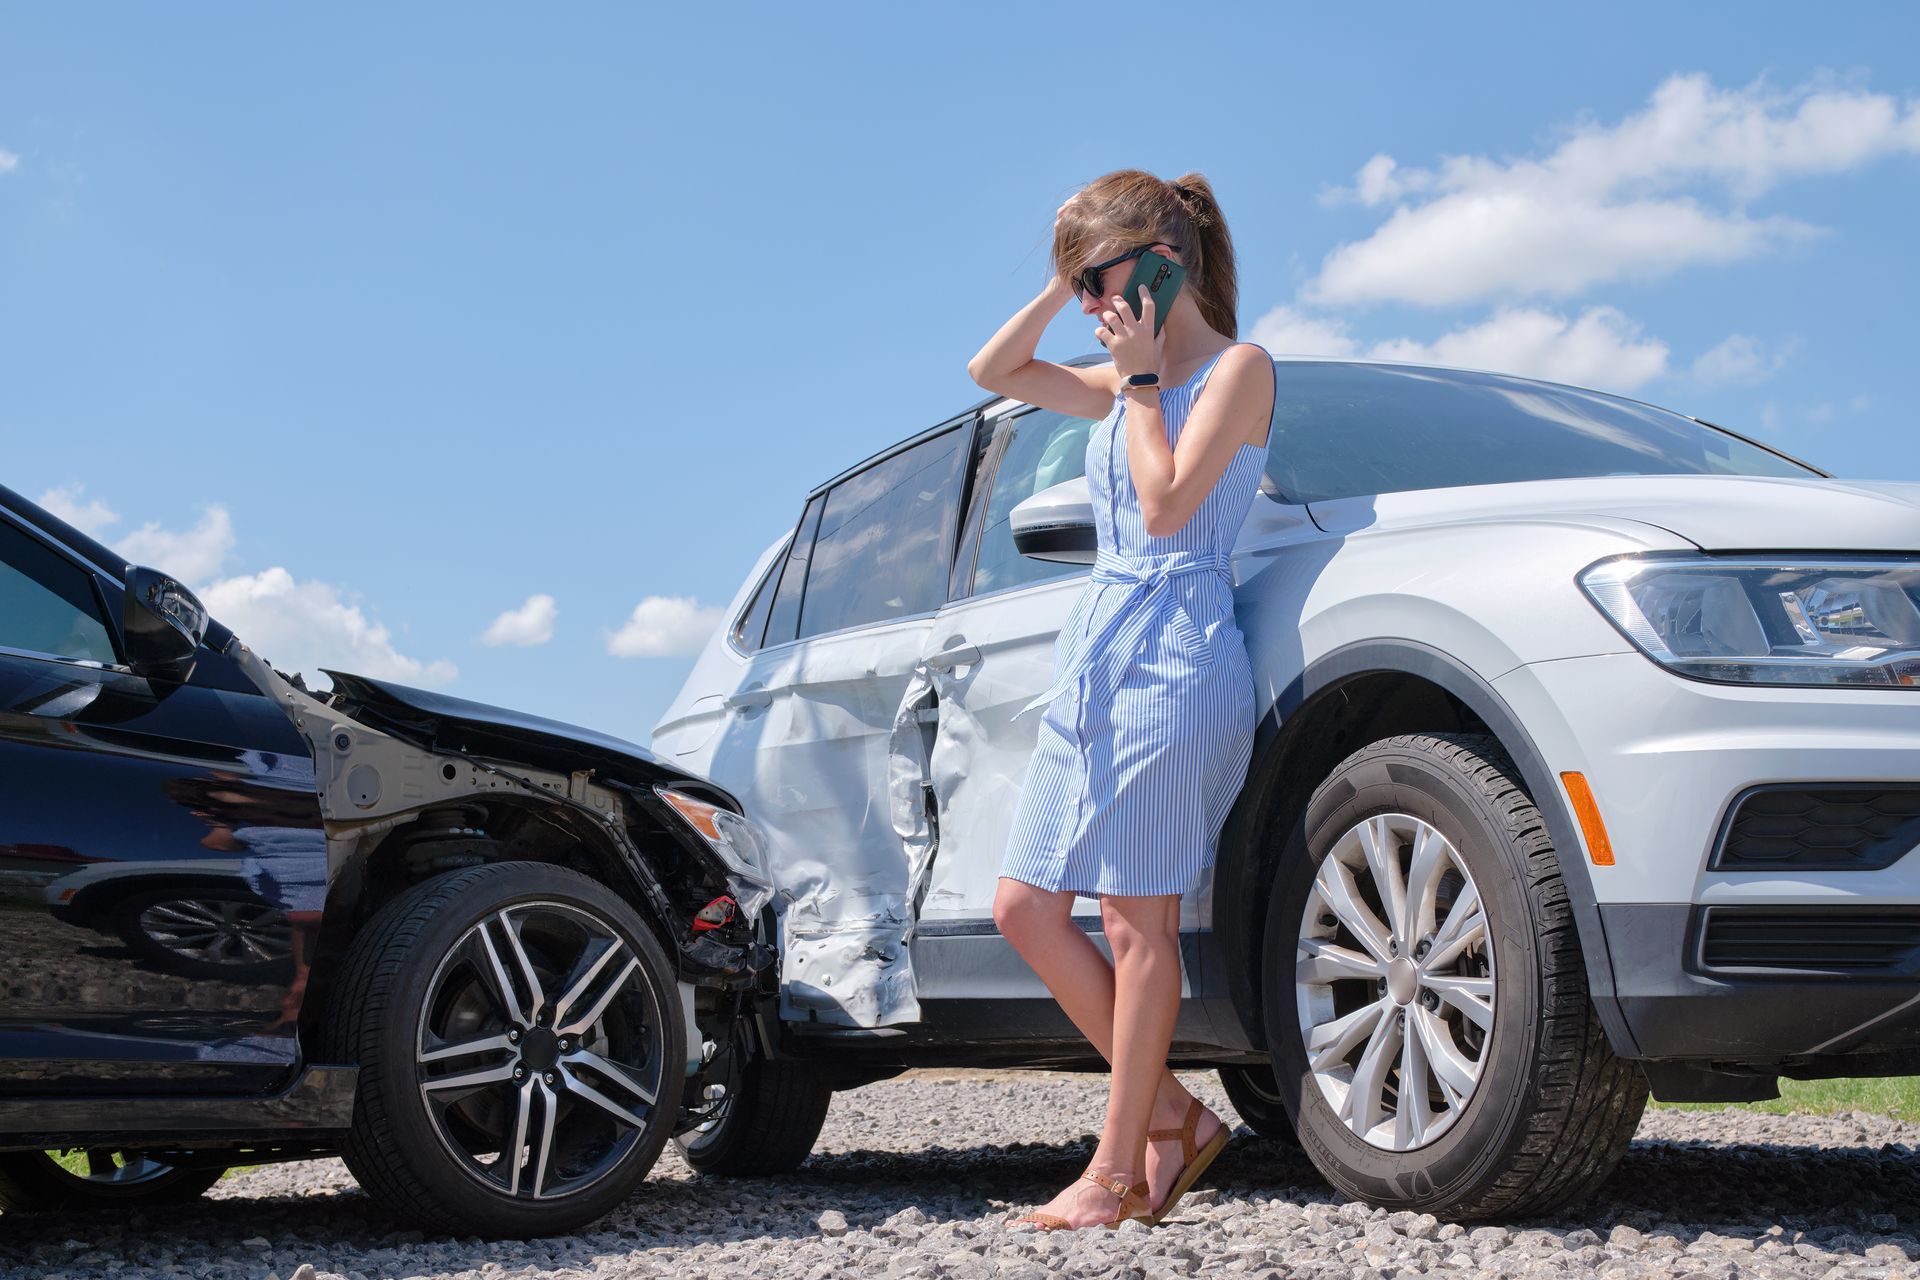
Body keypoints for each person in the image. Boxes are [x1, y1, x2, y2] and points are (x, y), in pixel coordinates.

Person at [967, 169, 1276, 1231]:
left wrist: (1141, 380)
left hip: (1178, 648)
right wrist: (1066, 281)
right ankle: (1175, 1115)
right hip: (1097, 647)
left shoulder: (1237, 371)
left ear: (1161, 264)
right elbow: (992, 367)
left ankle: (1115, 1168)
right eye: (1084, 286)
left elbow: (1167, 501)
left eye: (1103, 279)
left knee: (1135, 922)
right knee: (1025, 904)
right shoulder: (1113, 374)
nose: (1095, 305)